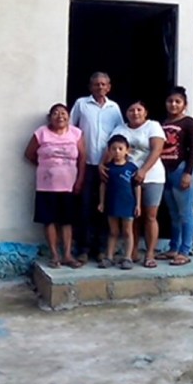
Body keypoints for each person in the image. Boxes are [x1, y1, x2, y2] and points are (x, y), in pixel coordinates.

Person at [101, 100, 165, 268]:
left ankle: (150, 254)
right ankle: (132, 252)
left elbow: (156, 150)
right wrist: (102, 164)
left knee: (150, 216)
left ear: (145, 112)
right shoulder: (120, 129)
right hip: (126, 178)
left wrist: (143, 171)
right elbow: (110, 149)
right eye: (131, 109)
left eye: (139, 109)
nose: (135, 113)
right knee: (132, 218)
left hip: (152, 176)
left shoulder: (153, 126)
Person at [70, 72, 125, 263]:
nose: (100, 87)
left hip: (109, 166)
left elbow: (119, 136)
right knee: (84, 207)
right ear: (90, 86)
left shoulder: (114, 108)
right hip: (85, 165)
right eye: (96, 84)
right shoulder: (81, 104)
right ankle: (83, 249)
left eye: (103, 84)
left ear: (109, 87)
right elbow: (72, 131)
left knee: (105, 208)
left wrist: (109, 160)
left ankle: (101, 249)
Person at [24, 103, 86, 268]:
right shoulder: (41, 133)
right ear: (50, 117)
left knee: (67, 221)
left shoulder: (76, 133)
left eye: (63, 113)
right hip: (46, 185)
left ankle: (67, 255)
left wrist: (79, 180)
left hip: (69, 185)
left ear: (68, 116)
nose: (60, 116)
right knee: (49, 220)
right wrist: (47, 168)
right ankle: (55, 255)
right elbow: (29, 154)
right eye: (55, 113)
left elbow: (82, 159)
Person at [157, 86, 193, 266]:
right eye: (170, 101)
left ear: (184, 104)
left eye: (177, 102)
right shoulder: (163, 123)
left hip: (181, 170)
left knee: (185, 213)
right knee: (173, 214)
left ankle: (185, 250)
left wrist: (188, 173)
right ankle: (173, 248)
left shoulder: (189, 123)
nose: (173, 105)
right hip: (164, 172)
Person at [97, 135, 141, 270]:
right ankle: (109, 257)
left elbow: (137, 186)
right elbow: (103, 186)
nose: (117, 152)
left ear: (127, 150)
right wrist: (102, 202)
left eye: (120, 149)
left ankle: (127, 257)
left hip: (128, 204)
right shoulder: (108, 168)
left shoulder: (132, 168)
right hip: (112, 203)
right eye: (114, 149)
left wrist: (138, 204)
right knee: (113, 231)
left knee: (127, 231)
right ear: (109, 151)